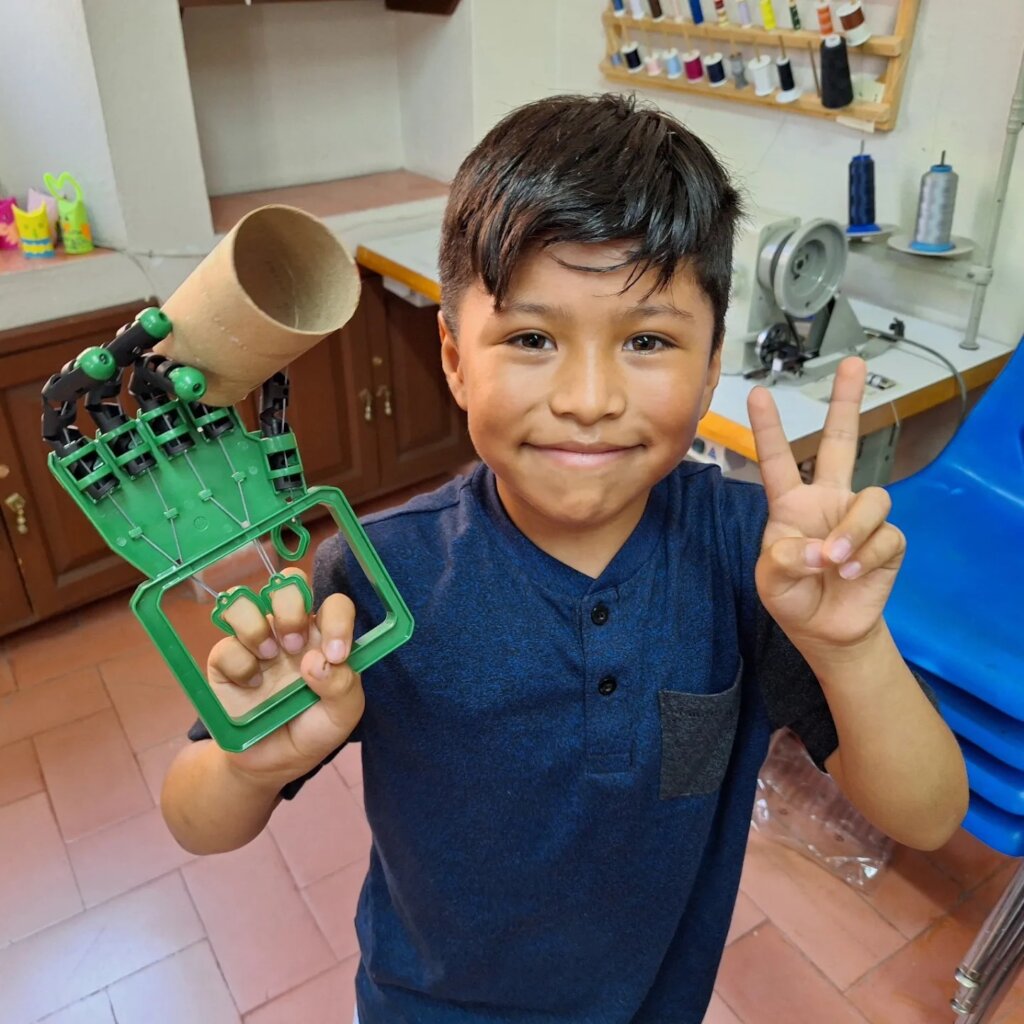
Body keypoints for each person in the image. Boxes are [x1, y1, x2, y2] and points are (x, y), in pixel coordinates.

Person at [161, 93, 968, 1023]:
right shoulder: (375, 573)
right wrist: (249, 761)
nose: (588, 398)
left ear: (711, 369)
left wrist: (848, 646)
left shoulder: (759, 561)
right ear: (457, 357)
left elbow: (928, 813)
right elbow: (196, 819)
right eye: (533, 338)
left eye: (649, 340)